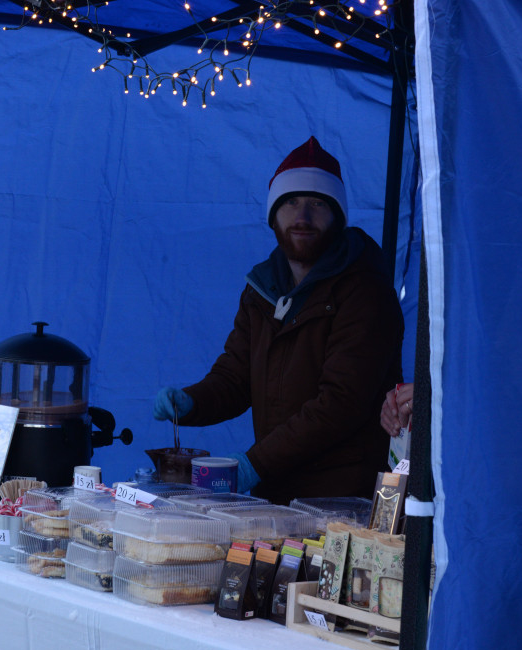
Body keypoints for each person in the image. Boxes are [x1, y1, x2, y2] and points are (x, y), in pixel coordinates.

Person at [153, 137, 404, 504]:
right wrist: (191, 402)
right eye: (290, 203)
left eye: (318, 204)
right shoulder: (262, 291)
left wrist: (254, 464)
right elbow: (235, 378)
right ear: (273, 215)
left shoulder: (364, 291)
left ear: (338, 215)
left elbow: (340, 404)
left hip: (343, 501)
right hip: (277, 492)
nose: (302, 217)